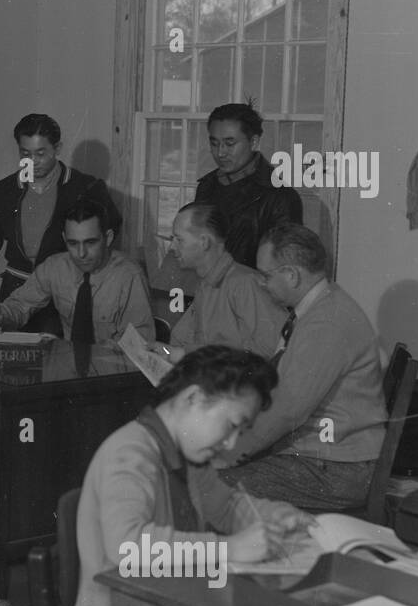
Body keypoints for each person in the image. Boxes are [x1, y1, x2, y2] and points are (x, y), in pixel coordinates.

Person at [70, 345, 315, 606]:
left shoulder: (187, 454)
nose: (231, 444)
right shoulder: (130, 452)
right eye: (231, 425)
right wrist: (231, 547)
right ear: (193, 398)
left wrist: (276, 516)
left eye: (241, 433)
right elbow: (126, 547)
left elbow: (224, 507)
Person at [214, 223, 387, 511]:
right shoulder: (319, 308)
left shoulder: (325, 323)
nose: (261, 283)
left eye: (265, 275)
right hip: (321, 458)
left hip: (334, 469)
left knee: (204, 480)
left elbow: (286, 411)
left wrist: (230, 452)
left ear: (292, 275)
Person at [0, 113, 119, 334]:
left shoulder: (85, 188)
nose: (33, 161)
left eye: (41, 153)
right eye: (26, 153)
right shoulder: (5, 191)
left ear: (58, 148)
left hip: (63, 296)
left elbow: (107, 241)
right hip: (15, 294)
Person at [0, 198, 153, 345]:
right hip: (68, 369)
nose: (81, 254)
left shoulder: (129, 276)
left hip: (112, 373)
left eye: (90, 243)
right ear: (65, 239)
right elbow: (20, 305)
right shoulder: (55, 267)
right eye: (73, 244)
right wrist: (1, 316)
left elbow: (138, 345)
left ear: (107, 238)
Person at [164, 202, 286, 358]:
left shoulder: (246, 284)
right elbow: (181, 342)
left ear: (204, 242)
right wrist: (165, 352)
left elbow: (273, 350)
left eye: (179, 240)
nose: (171, 247)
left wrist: (183, 354)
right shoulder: (206, 285)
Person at [194, 101, 303, 268]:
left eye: (230, 144)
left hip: (253, 291)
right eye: (214, 143)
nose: (220, 153)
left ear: (253, 142)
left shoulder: (280, 197)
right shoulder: (206, 186)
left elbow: (285, 268)